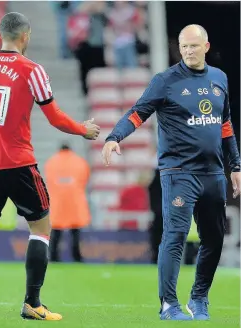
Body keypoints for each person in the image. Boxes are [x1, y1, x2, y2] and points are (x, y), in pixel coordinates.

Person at [0, 12, 100, 321]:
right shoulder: (32, 70)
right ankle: (32, 303)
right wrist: (83, 129)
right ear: (25, 37)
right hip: (18, 162)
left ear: (1, 34)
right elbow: (53, 116)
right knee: (40, 229)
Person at [102, 24, 240, 321]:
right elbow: (138, 112)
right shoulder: (165, 81)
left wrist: (236, 166)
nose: (188, 51)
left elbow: (225, 125)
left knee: (214, 238)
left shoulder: (220, 78)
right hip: (178, 172)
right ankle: (168, 305)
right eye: (183, 46)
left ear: (205, 46)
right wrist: (115, 137)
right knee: (174, 237)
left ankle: (199, 298)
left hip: (214, 174)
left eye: (193, 45)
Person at [45, 144, 91, 263]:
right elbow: (85, 180)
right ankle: (77, 257)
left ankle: (54, 257)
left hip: (58, 203)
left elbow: (48, 181)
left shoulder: (51, 162)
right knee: (75, 232)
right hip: (75, 202)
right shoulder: (80, 162)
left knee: (55, 232)